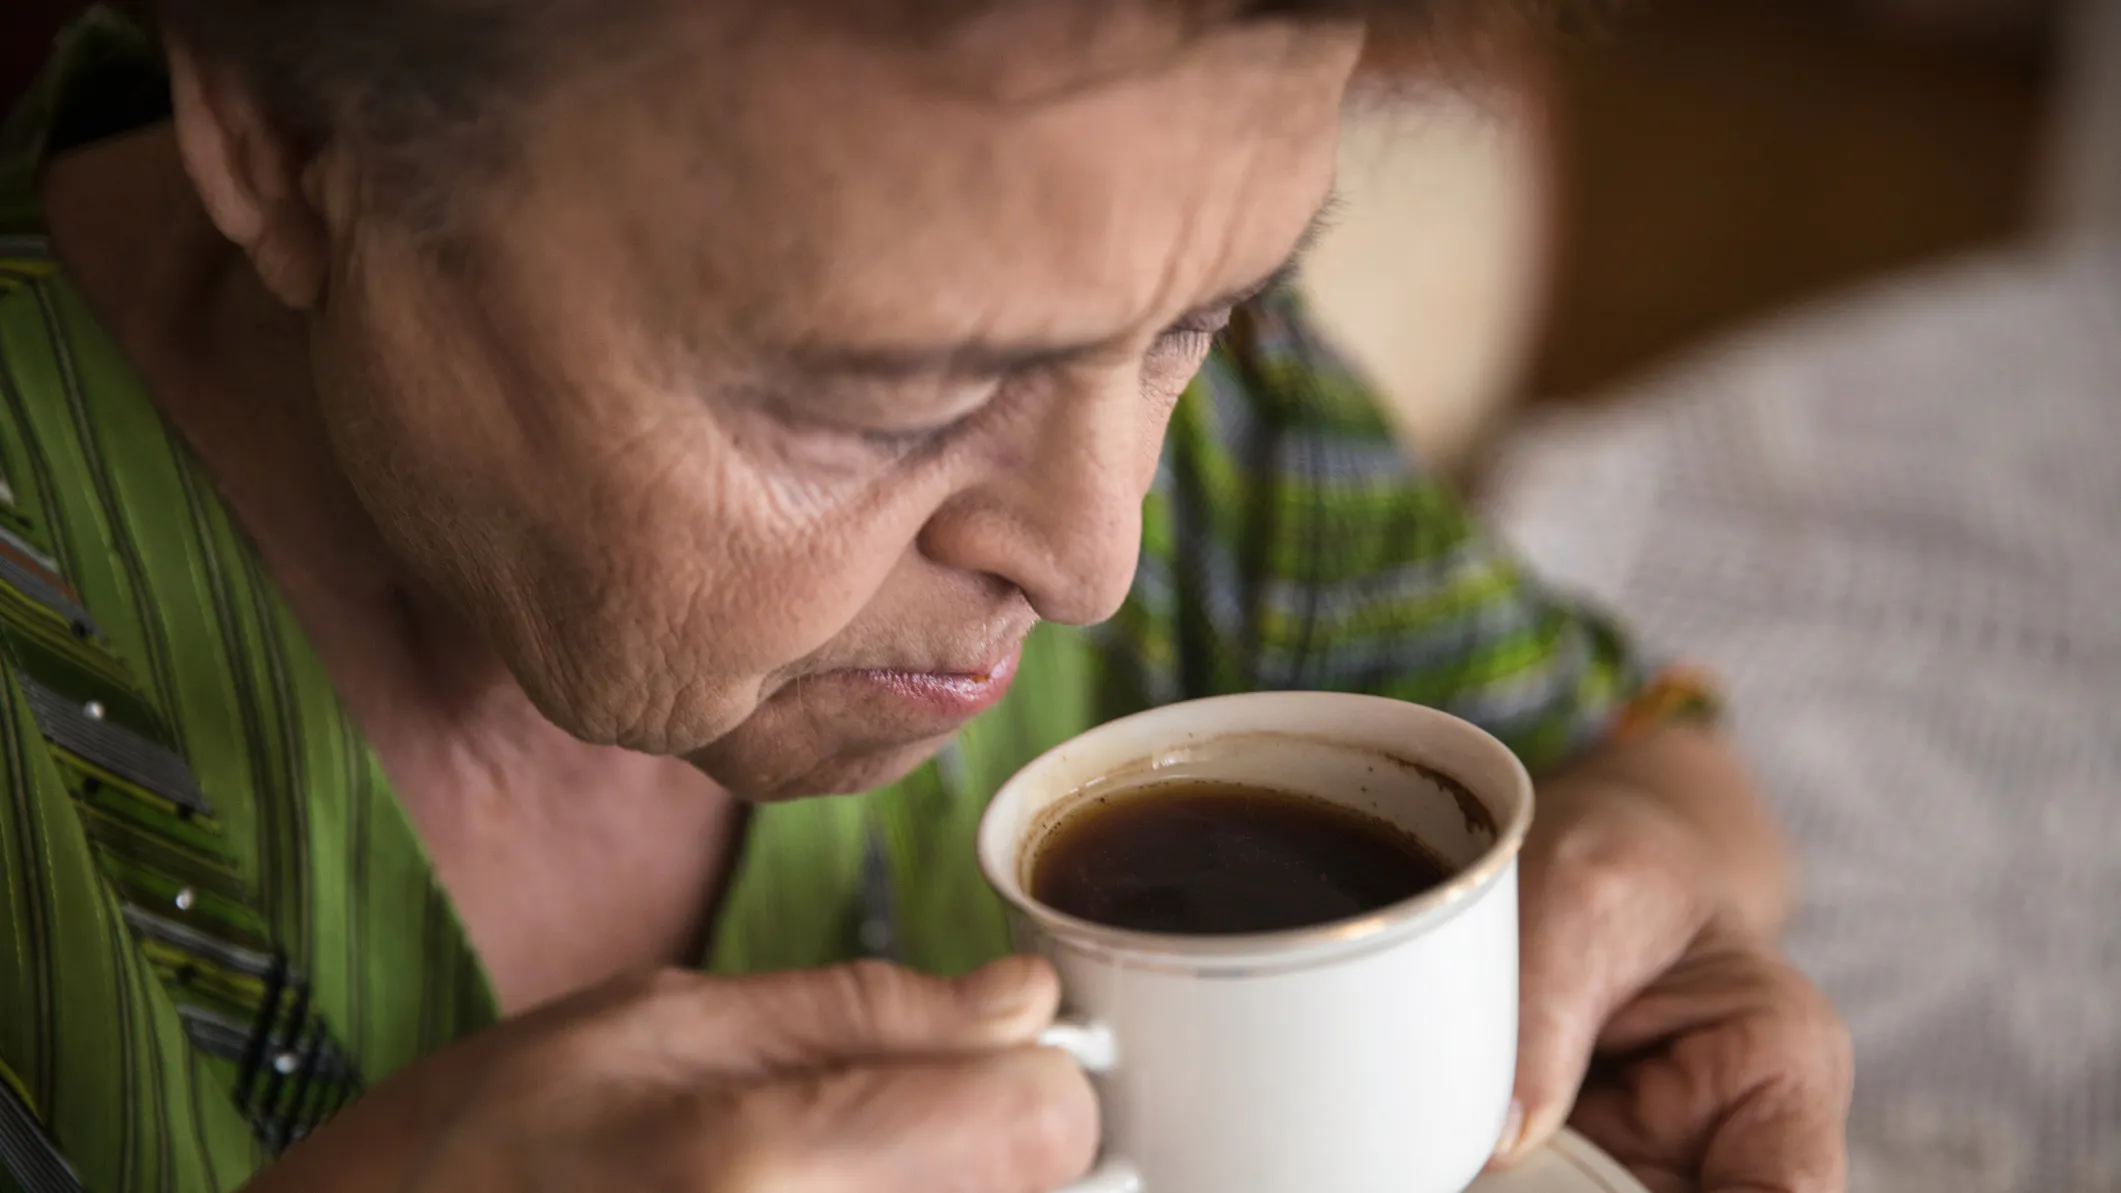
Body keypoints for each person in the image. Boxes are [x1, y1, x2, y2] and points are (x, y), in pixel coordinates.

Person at [0, 4, 1851, 1192]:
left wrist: (1633, 901)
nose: (1095, 556)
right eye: (889, 396)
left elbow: (1637, 757)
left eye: (1199, 319)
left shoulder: (1191, 418)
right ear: (285, 139)